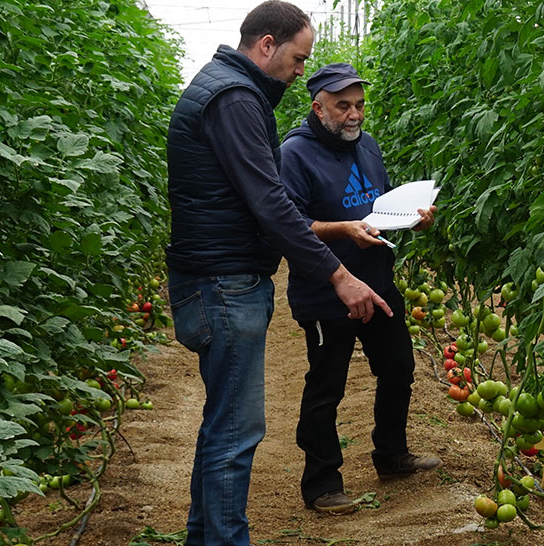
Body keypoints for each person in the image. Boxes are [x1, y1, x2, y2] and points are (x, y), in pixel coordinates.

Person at [165, 4, 393, 545]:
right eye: (297, 58)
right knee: (236, 432)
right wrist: (337, 275)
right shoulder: (236, 99)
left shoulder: (223, 89)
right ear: (266, 44)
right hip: (224, 282)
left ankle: (207, 538)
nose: (299, 71)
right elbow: (270, 203)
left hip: (215, 278)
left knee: (224, 426)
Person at [279, 63, 442, 515]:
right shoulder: (294, 154)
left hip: (377, 279)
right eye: (343, 106)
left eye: (360, 105)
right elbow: (288, 224)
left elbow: (381, 203)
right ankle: (322, 483)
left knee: (398, 368)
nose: (354, 115)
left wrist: (414, 216)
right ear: (318, 107)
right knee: (326, 385)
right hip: (325, 290)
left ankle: (391, 454)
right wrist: (344, 230)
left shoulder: (366, 145)